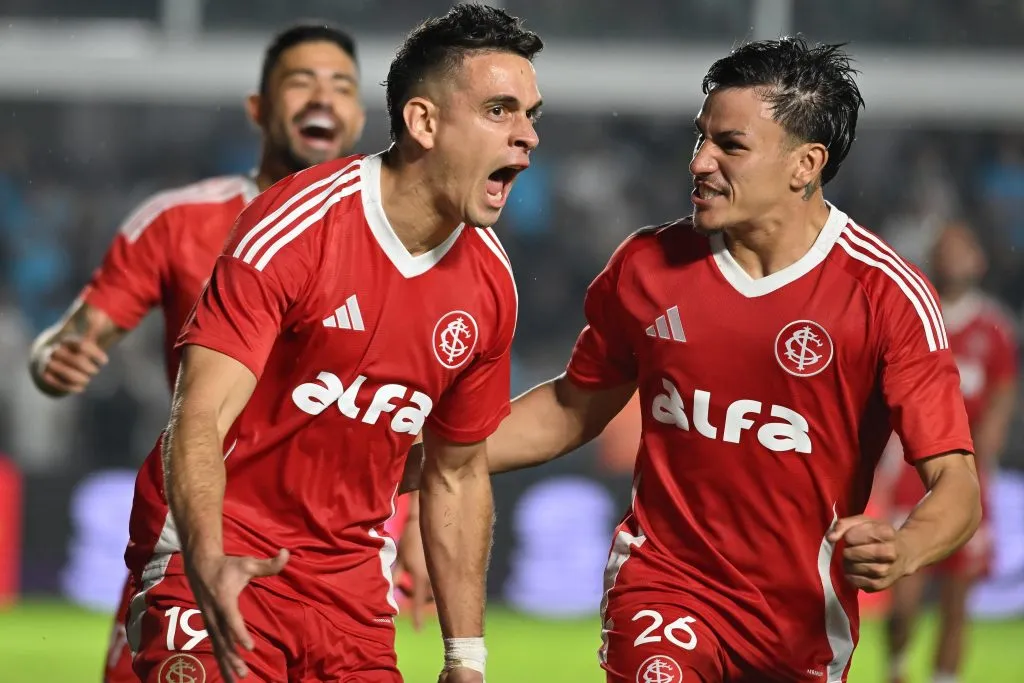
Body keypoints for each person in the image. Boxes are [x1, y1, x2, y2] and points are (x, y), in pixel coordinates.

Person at [403, 37, 983, 683]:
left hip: (801, 618)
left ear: (805, 165)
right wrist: (416, 460)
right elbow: (571, 407)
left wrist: (905, 547)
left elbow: (956, 486)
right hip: (666, 587)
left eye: (730, 145)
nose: (700, 161)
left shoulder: (884, 294)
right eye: (700, 138)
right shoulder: (649, 266)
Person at [123, 5, 542, 683]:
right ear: (424, 122)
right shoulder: (296, 225)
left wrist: (466, 656)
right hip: (227, 552)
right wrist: (206, 558)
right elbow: (197, 418)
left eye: (531, 114)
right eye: (501, 110)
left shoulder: (491, 284)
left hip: (349, 594)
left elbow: (457, 471)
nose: (527, 136)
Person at [28, 21, 367, 682]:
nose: (322, 97)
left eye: (341, 86)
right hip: (194, 521)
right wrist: (54, 357)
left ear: (357, 115)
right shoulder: (179, 220)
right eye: (301, 82)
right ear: (258, 108)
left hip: (330, 542)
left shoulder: (389, 242)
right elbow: (79, 330)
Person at [880, 222, 1018, 683]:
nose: (955, 258)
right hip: (910, 469)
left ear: (978, 261)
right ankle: (897, 666)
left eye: (964, 249)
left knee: (958, 596)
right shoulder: (918, 315)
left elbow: (1001, 393)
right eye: (947, 249)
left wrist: (988, 449)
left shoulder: (993, 328)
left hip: (969, 472)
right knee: (904, 591)